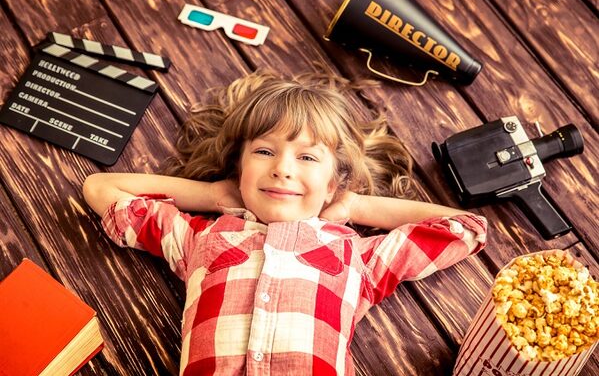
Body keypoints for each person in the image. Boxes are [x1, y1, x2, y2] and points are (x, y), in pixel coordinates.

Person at [83, 69, 487, 376]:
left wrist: (355, 205)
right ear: (238, 168)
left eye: (308, 158)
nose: (282, 170)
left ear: (333, 182)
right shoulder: (198, 238)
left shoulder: (357, 257)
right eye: (263, 152)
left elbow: (465, 227)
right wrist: (209, 194)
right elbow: (101, 188)